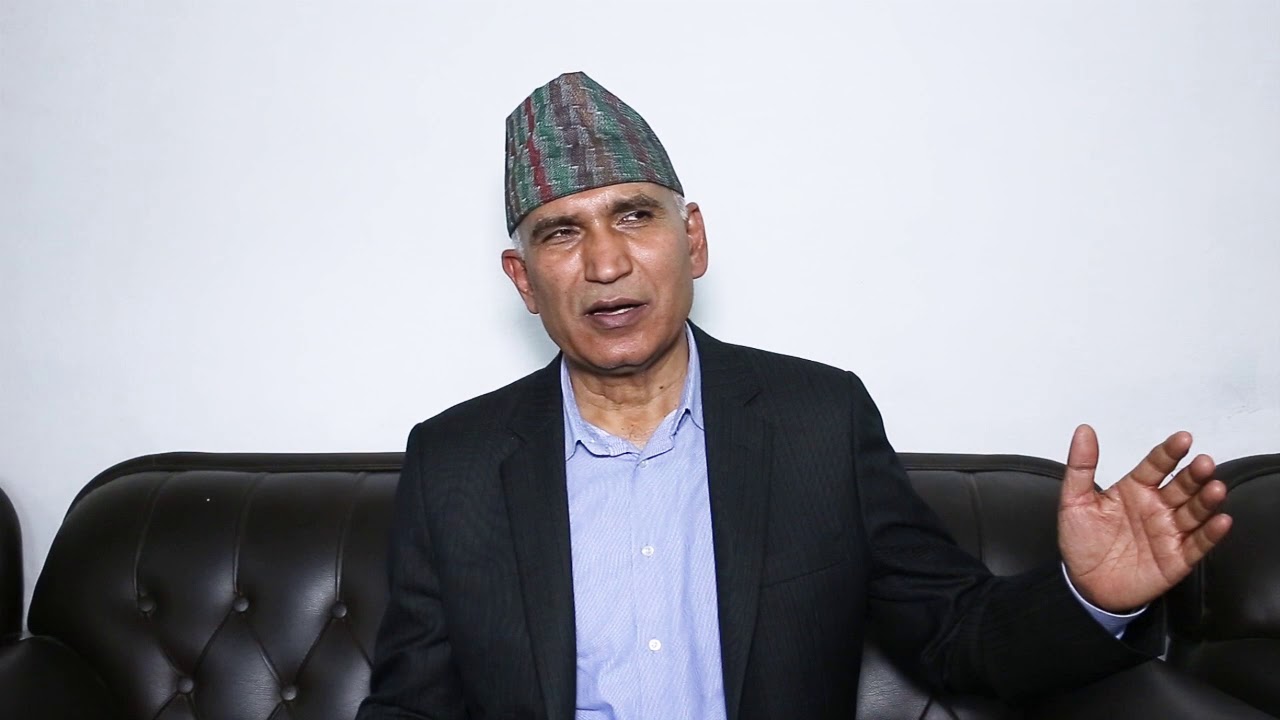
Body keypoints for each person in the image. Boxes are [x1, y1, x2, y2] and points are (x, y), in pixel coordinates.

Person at [356, 72, 1232, 720]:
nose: (607, 262)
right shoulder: (456, 462)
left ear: (693, 240)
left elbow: (955, 635)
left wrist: (1092, 595)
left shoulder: (819, 423)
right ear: (523, 280)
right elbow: (411, 706)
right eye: (561, 233)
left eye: (635, 216)